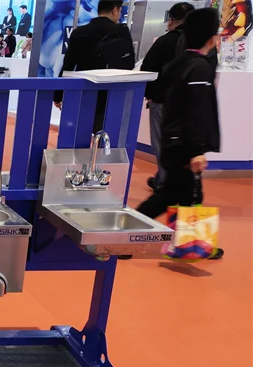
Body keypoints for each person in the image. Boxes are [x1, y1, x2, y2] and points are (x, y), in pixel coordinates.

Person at [136, 8, 223, 259]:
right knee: (170, 196)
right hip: (184, 145)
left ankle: (192, 243)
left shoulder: (181, 63)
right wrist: (196, 150)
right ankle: (126, 235)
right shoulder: (199, 69)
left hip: (173, 141)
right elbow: (196, 112)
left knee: (185, 194)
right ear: (211, 38)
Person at [54, 0, 134, 130]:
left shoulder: (79, 32)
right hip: (110, 92)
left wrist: (58, 94)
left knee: (79, 131)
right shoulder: (120, 31)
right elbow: (128, 64)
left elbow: (68, 65)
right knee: (105, 133)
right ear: (115, 10)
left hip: (83, 91)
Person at [141, 2, 196, 190]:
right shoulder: (201, 43)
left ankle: (165, 183)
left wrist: (149, 94)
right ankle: (166, 178)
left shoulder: (165, 41)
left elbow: (147, 69)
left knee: (161, 143)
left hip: (163, 99)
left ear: (171, 20)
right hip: (190, 102)